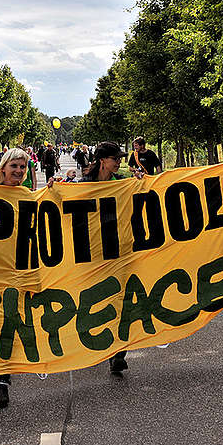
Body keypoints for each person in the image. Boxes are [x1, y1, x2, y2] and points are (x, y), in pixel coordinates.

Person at [0, 147, 32, 407]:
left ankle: (5, 374)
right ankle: (2, 375)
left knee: (16, 319)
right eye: (14, 166)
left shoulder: (28, 196)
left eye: (23, 167)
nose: (18, 171)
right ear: (3, 168)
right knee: (3, 320)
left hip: (23, 270)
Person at [79, 141, 130, 374]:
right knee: (96, 300)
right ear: (102, 161)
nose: (119, 162)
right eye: (115, 158)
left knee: (120, 300)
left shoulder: (121, 183)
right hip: (91, 254)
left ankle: (118, 353)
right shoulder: (83, 185)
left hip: (118, 252)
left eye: (119, 158)